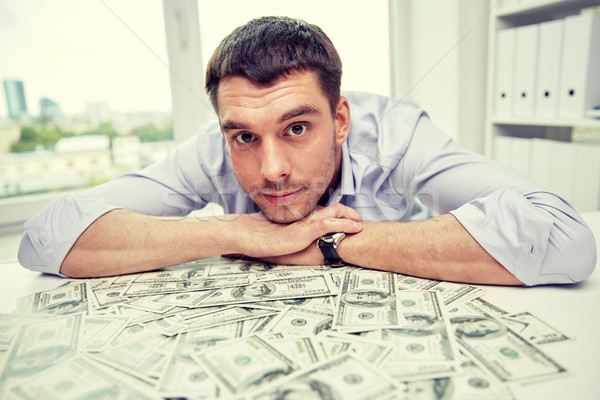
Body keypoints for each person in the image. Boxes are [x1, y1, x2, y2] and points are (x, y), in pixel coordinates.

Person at [17, 16, 596, 286]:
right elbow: (46, 235)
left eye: (297, 128)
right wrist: (241, 233)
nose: (271, 170)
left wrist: (329, 245)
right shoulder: (211, 149)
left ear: (340, 120)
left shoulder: (397, 135)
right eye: (245, 136)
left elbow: (564, 238)